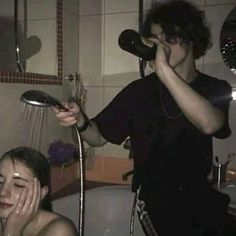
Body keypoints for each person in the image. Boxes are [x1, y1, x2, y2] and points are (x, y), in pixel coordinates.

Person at [53, 1, 236, 235]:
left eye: (168, 37)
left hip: (201, 197)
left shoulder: (214, 86)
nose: (159, 44)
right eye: (154, 38)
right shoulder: (139, 91)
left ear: (191, 38)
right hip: (158, 204)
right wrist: (80, 120)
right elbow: (97, 137)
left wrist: (164, 71)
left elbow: (210, 123)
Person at [0, 146, 77, 236]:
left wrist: (11, 231)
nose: (3, 192)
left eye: (18, 185)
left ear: (42, 193)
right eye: (0, 181)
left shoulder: (60, 231)